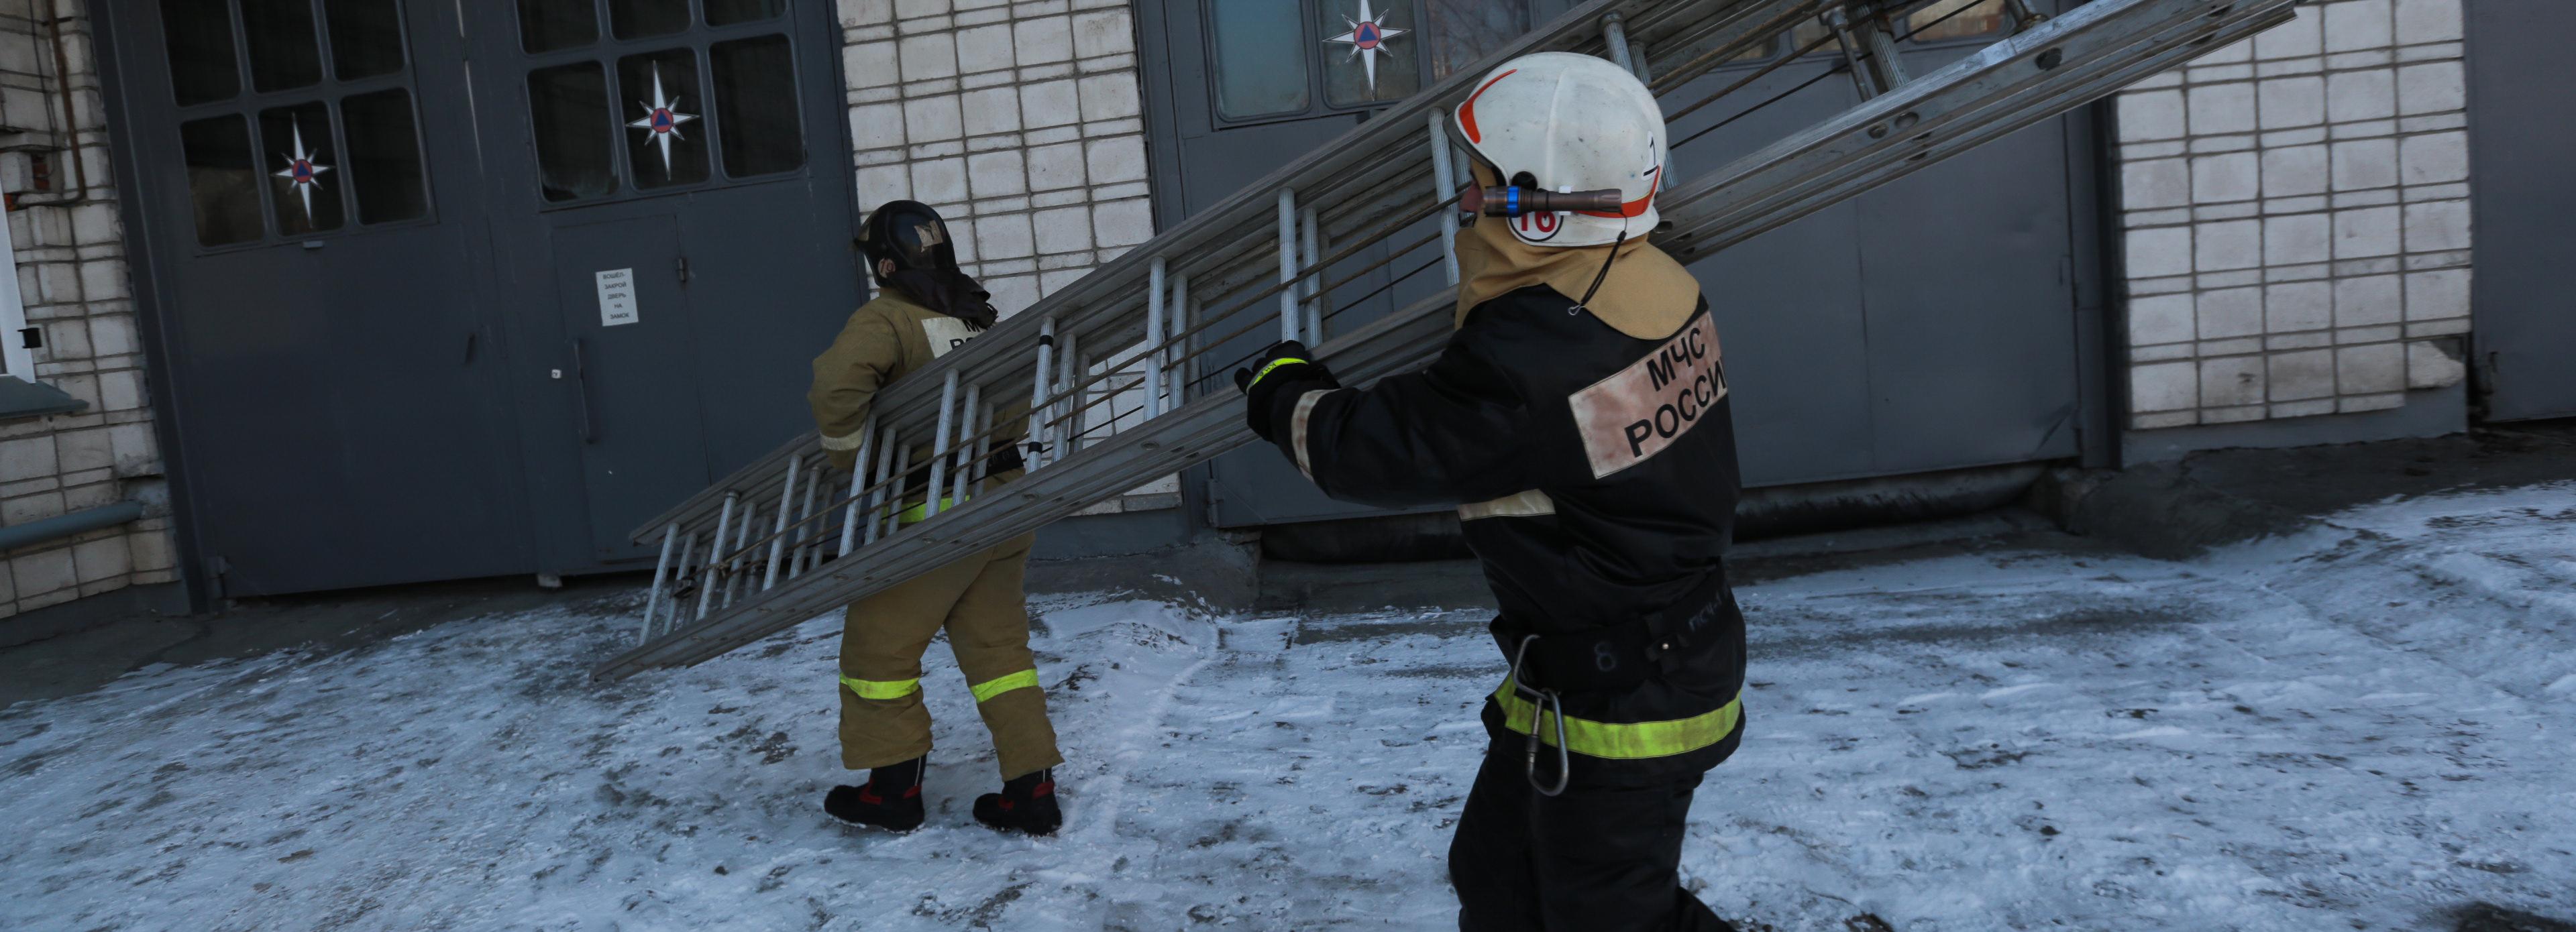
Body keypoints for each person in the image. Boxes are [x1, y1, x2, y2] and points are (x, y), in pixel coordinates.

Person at [1236, 53, 1743, 930]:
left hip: (1626, 702)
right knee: (1499, 870)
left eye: (1477, 184)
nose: (1465, 203)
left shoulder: (1531, 359)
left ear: (1540, 210)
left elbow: (1369, 451)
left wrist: (1281, 384)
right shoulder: (1654, 280)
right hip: (1609, 658)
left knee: (1606, 915)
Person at [809, 200, 1064, 836]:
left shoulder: (889, 318)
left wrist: (851, 460)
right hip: (1004, 506)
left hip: (937, 517)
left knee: (877, 651)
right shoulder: (976, 315)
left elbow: (837, 388)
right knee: (1001, 653)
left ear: (888, 263)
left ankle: (891, 792)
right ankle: (1030, 794)